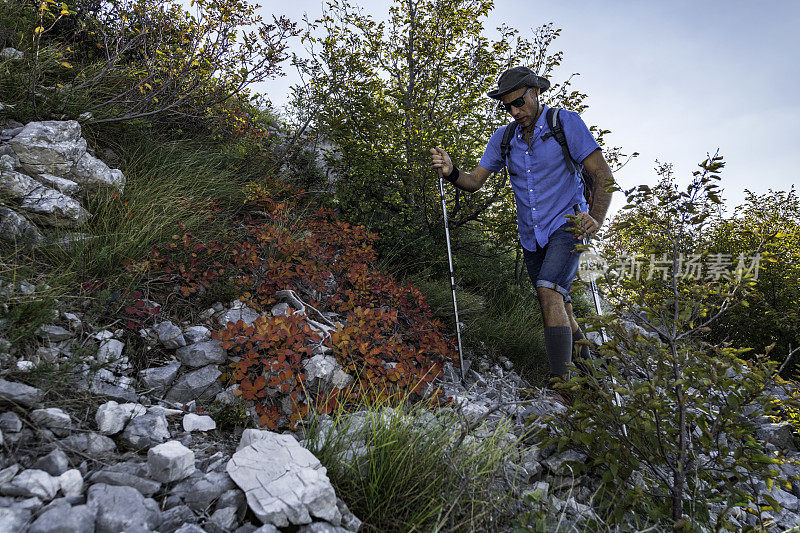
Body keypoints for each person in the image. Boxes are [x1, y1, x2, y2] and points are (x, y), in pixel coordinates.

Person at [429, 66, 615, 404]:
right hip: (532, 237)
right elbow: (473, 183)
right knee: (562, 306)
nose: (516, 111)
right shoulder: (504, 139)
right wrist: (451, 171)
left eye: (519, 102)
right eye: (508, 106)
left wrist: (596, 218)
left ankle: (560, 390)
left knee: (548, 291)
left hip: (568, 225)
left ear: (535, 92)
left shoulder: (565, 123)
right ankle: (597, 380)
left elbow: (603, 175)